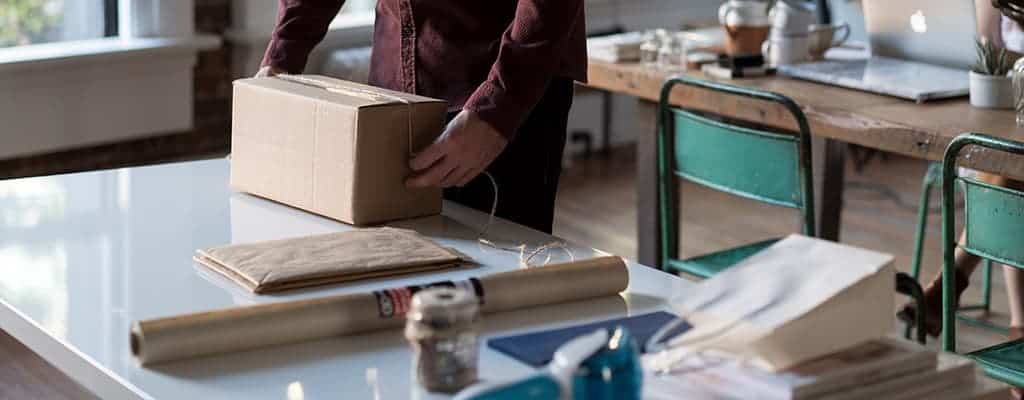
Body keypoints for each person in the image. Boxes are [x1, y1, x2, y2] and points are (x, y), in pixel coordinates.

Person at [256, 0, 586, 234]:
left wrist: (498, 108)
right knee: (397, 269)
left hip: (503, 88)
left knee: (504, 289)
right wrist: (281, 58)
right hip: (393, 90)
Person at [898, 0, 1024, 354]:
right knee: (1004, 162)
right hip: (1005, 117)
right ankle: (1019, 323)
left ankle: (953, 282)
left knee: (1006, 168)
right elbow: (988, 52)